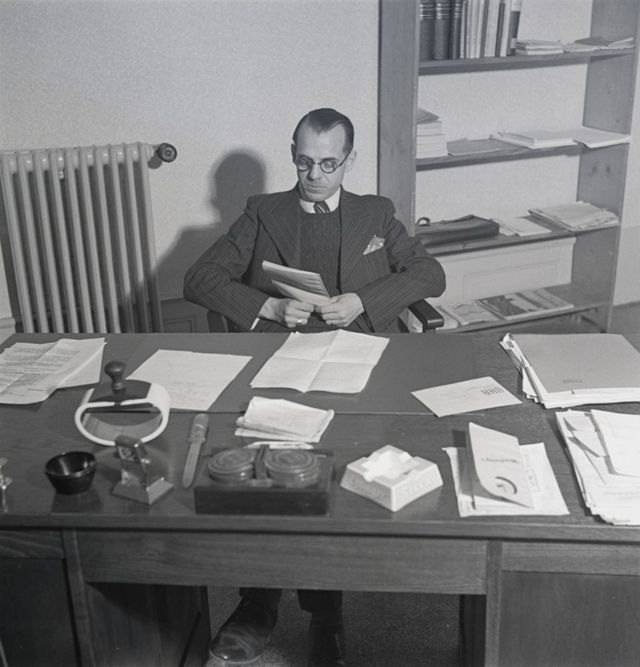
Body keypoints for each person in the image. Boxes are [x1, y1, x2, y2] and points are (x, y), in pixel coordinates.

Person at [184, 108, 445, 666]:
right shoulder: (263, 212)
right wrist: (269, 307)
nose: (315, 175)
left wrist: (364, 300)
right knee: (269, 465)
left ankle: (326, 613)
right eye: (304, 162)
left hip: (360, 358)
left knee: (334, 469)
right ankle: (259, 602)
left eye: (329, 163)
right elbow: (200, 278)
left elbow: (430, 274)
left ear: (350, 160)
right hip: (283, 357)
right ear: (293, 155)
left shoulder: (376, 213)